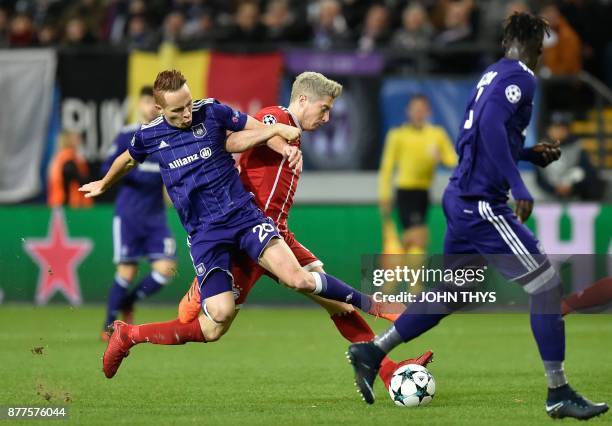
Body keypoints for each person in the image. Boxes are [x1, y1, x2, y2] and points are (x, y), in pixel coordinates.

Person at [347, 12, 608, 421]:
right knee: (546, 284)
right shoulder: (521, 77)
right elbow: (488, 126)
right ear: (532, 45)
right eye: (541, 49)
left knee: (454, 293)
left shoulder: (491, 75)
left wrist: (525, 154)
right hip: (481, 203)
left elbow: (474, 136)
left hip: (460, 197)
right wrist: (518, 184)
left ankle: (372, 351)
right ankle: (558, 392)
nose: (541, 56)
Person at [79, 69, 396, 379]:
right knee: (215, 321)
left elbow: (247, 131)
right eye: (178, 110)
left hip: (246, 219)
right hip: (205, 233)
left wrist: (277, 139)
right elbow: (128, 158)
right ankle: (129, 334)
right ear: (160, 109)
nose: (188, 113)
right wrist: (104, 184)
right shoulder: (151, 134)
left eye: (189, 103)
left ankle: (382, 344)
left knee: (306, 281)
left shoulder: (211, 111)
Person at [175, 72, 432, 387]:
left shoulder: (294, 138)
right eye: (323, 109)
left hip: (277, 234)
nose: (326, 117)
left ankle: (386, 369)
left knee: (337, 301)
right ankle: (185, 299)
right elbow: (263, 128)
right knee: (204, 324)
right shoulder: (278, 116)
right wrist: (283, 145)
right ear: (302, 100)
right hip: (248, 237)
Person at [100, 86, 177, 339]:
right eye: (146, 102)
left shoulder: (168, 136)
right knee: (127, 271)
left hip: (156, 216)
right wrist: (134, 169)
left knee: (166, 270)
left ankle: (129, 300)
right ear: (139, 105)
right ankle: (109, 325)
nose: (150, 107)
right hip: (129, 214)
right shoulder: (127, 135)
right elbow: (106, 167)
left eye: (155, 103)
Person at [379, 94, 457, 253]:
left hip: (423, 193)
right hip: (405, 192)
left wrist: (440, 157)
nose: (418, 113)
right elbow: (387, 167)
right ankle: (410, 275)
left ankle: (396, 267)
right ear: (408, 112)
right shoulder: (398, 135)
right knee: (418, 238)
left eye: (421, 110)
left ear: (428, 112)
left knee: (413, 241)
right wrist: (384, 195)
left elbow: (453, 160)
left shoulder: (437, 134)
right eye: (415, 110)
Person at [535, 112, 605, 201]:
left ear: (568, 130)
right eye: (556, 127)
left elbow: (587, 173)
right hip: (546, 201)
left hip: (573, 200)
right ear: (549, 130)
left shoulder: (577, 147)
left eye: (563, 128)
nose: (559, 131)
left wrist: (573, 188)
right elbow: (538, 178)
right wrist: (554, 189)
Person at [48, 131, 92, 208]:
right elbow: (72, 175)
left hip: (58, 201)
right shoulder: (68, 157)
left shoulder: (60, 156)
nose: (79, 140)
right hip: (69, 203)